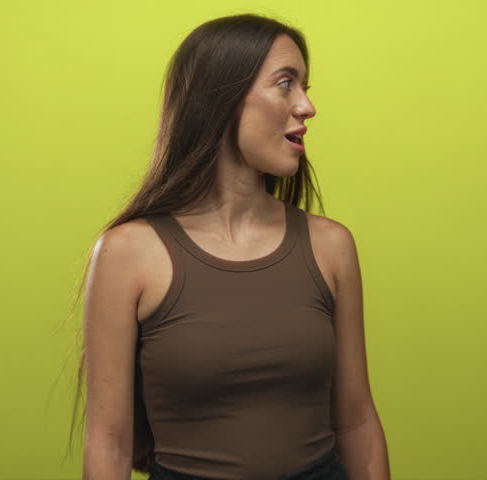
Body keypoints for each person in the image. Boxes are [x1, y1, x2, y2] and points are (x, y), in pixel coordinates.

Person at [68, 13, 389, 480]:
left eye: (305, 86)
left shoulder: (331, 246)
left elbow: (357, 422)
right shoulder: (126, 254)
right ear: (222, 97)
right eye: (286, 83)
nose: (307, 107)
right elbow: (109, 444)